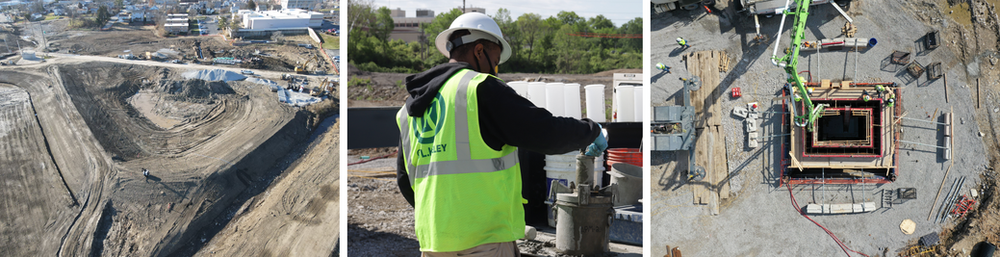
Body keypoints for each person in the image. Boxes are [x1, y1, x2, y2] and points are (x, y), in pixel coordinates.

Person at [396, 12, 607, 257]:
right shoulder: (479, 88)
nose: (495, 70)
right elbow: (543, 131)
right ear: (478, 51)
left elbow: (405, 180)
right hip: (484, 240)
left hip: (434, 243)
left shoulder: (409, 108)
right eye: (495, 61)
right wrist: (590, 131)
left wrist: (447, 219)